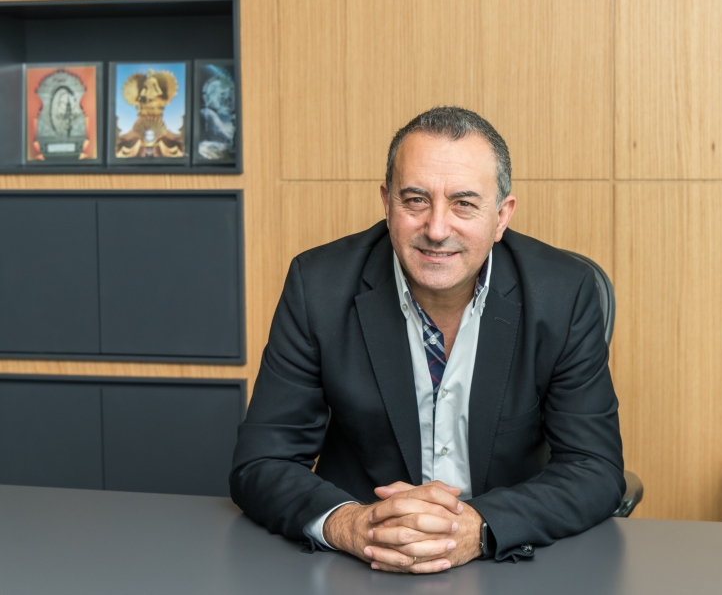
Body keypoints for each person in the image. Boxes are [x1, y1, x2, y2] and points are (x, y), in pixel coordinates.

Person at [230, 106, 624, 573]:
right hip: (361, 562)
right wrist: (351, 524)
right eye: (416, 200)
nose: (437, 230)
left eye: (464, 203)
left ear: (501, 216)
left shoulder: (563, 293)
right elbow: (262, 462)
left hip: (505, 560)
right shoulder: (318, 287)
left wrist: (478, 527)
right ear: (387, 203)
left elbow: (594, 467)